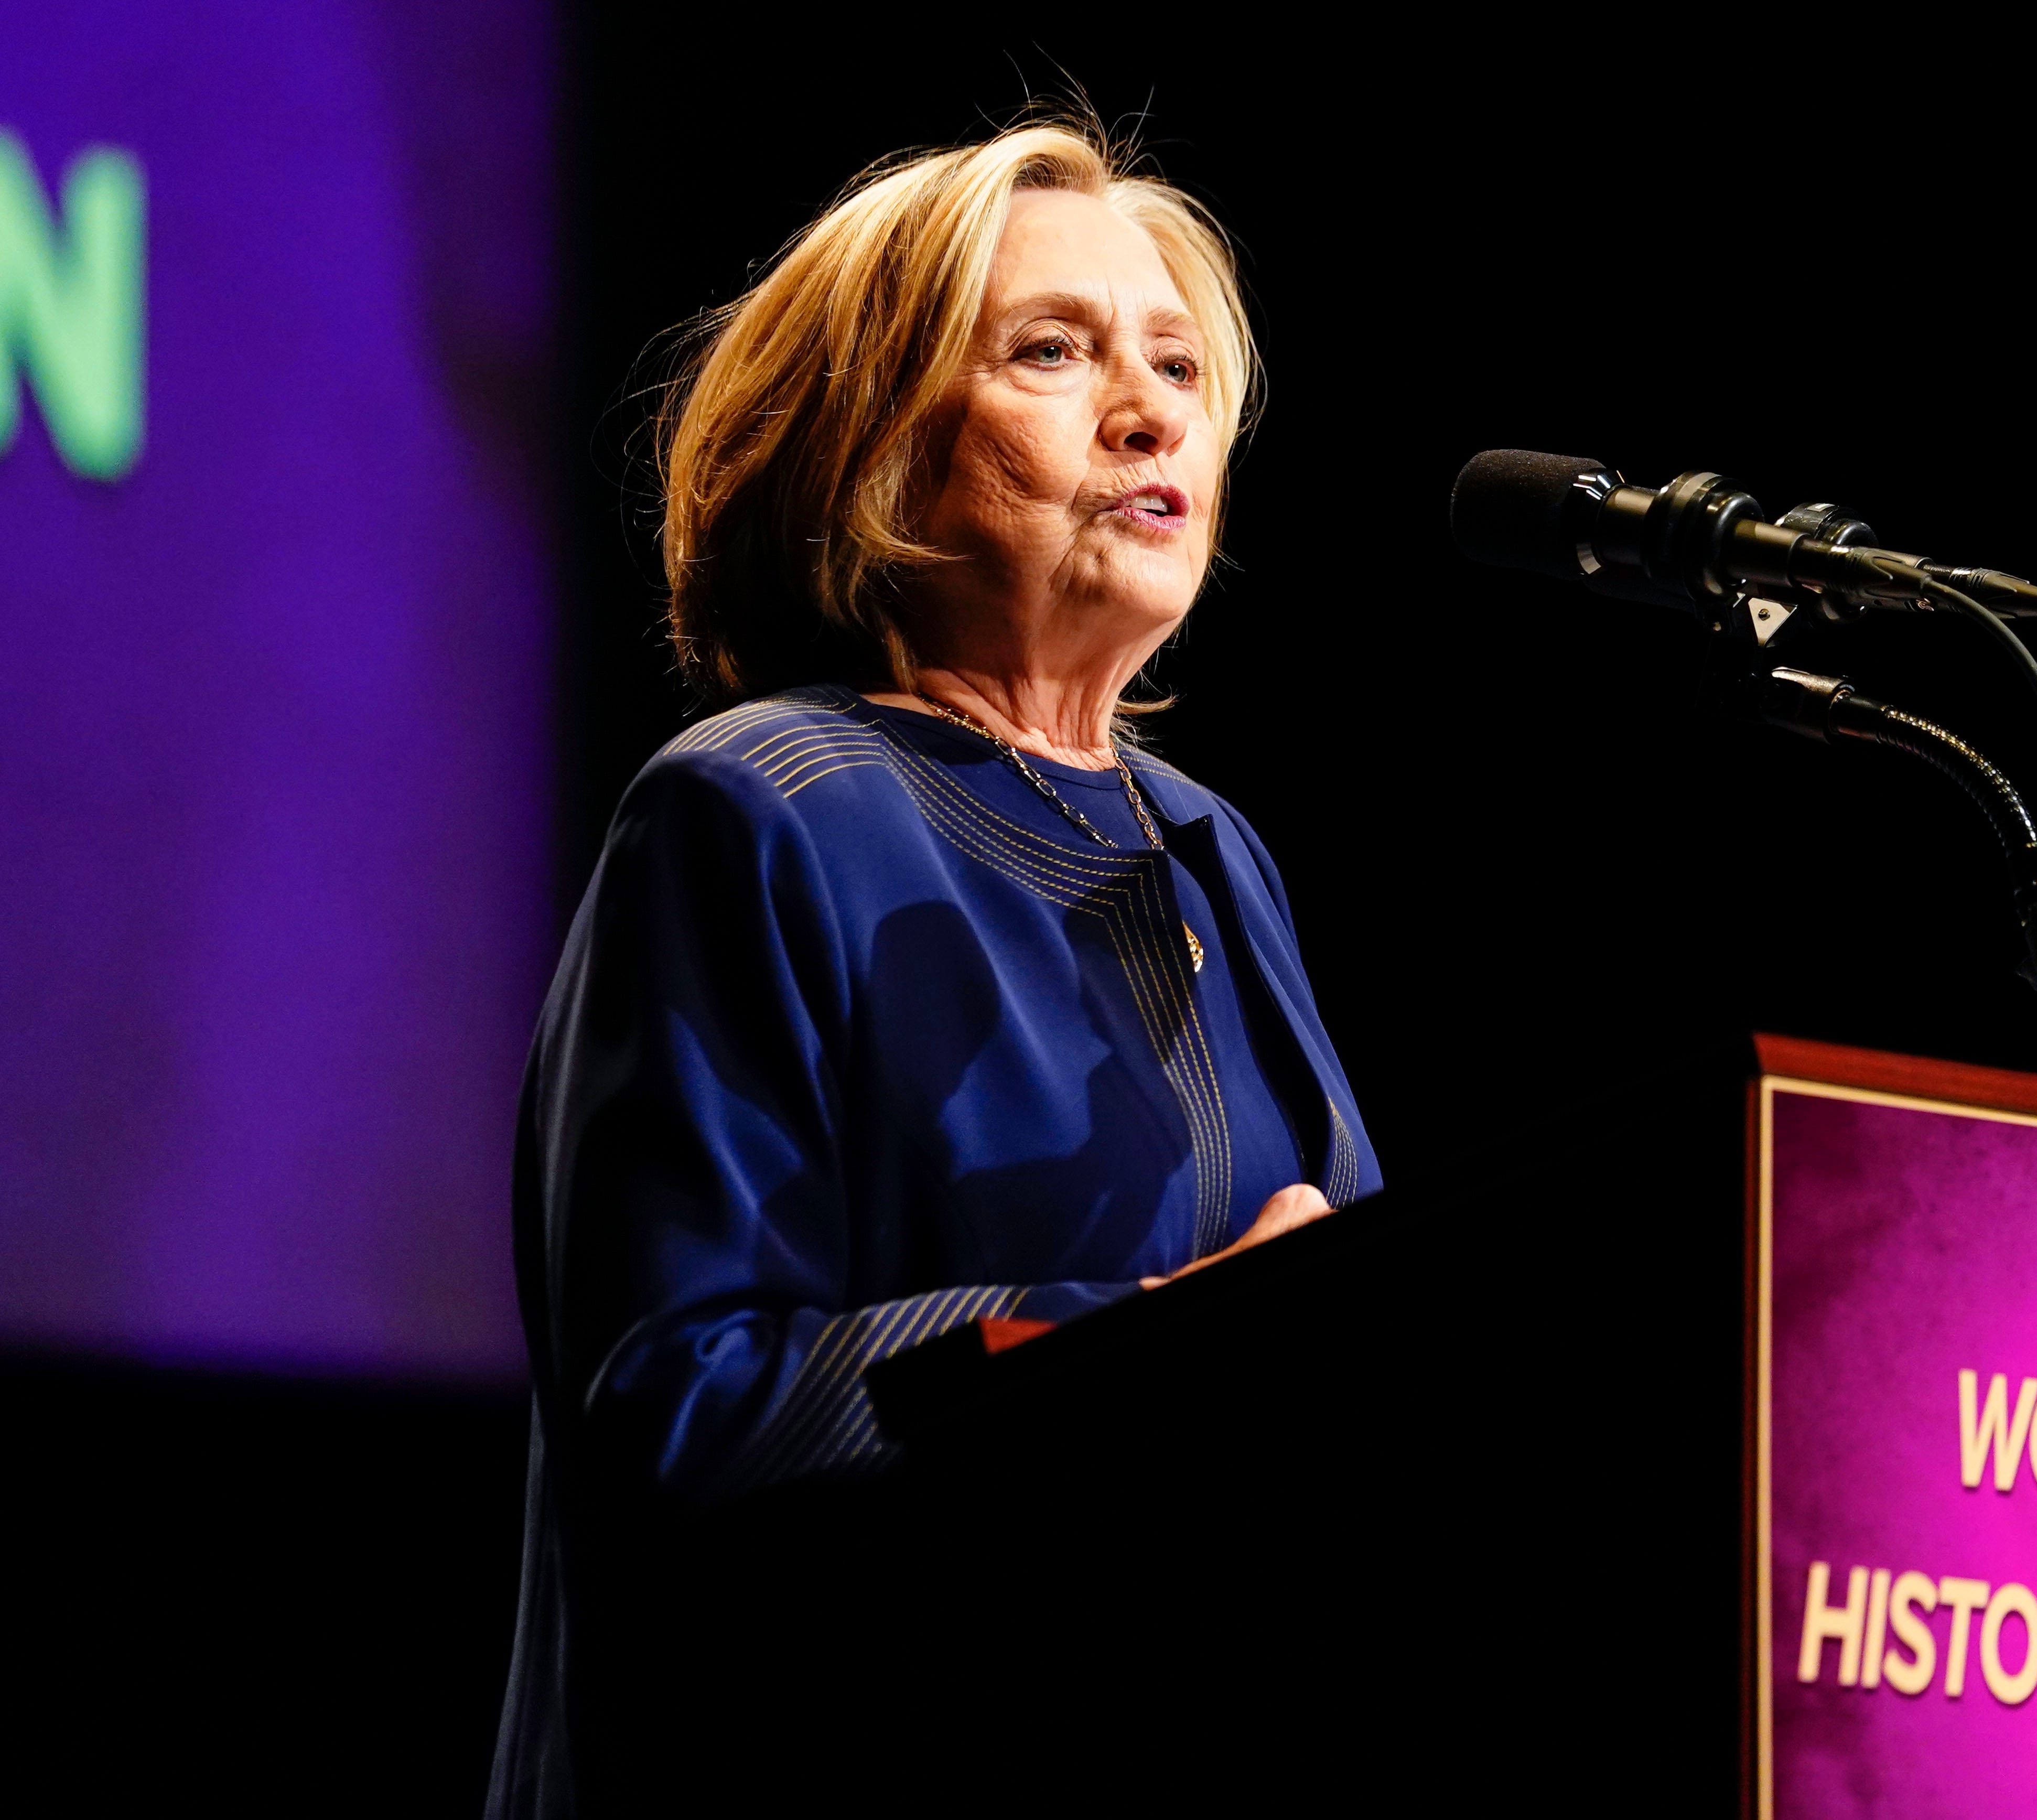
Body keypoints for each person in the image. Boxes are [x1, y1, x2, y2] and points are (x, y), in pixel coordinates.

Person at [486, 119, 1377, 1816]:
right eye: (1054, 351)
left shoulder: (1214, 853)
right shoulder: (761, 813)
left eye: (1178, 364)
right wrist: (1152, 1347)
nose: (1150, 409)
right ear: (872, 447)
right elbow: (677, 1409)